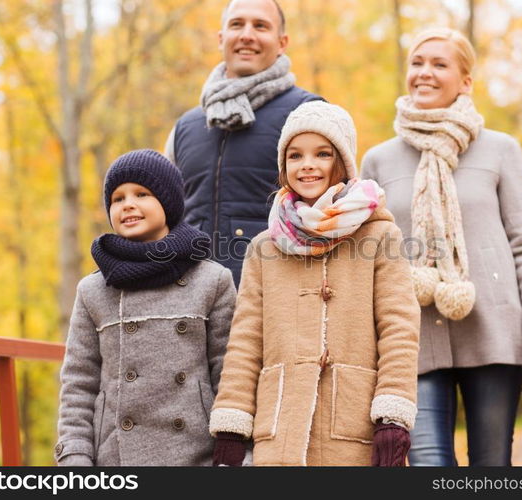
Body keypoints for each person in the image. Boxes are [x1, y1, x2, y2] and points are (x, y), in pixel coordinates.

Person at [361, 28, 522, 466]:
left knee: (490, 466)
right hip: (413, 338)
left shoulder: (501, 150)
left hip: (493, 331)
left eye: (439, 64)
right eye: (417, 62)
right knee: (430, 463)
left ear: (466, 80)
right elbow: (372, 260)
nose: (424, 73)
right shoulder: (378, 160)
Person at [207, 101, 420, 466]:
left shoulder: (380, 235)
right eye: (295, 155)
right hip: (280, 430)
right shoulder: (264, 248)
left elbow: (399, 328)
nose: (307, 164)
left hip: (354, 426)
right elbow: (245, 341)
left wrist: (393, 416)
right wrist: (231, 422)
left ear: (343, 163)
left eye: (322, 153)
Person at [55, 149, 236, 466]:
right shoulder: (93, 290)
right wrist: (74, 457)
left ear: (167, 203)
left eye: (142, 193)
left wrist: (233, 453)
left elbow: (229, 376)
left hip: (197, 454)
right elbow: (78, 384)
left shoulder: (212, 280)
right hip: (116, 460)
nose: (128, 204)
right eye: (117, 198)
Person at [164, 0, 321, 288]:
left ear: (282, 42)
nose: (247, 34)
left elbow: (334, 213)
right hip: (192, 303)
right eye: (237, 24)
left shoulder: (307, 113)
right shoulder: (185, 127)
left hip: (276, 298)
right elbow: (165, 222)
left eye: (260, 26)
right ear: (221, 38)